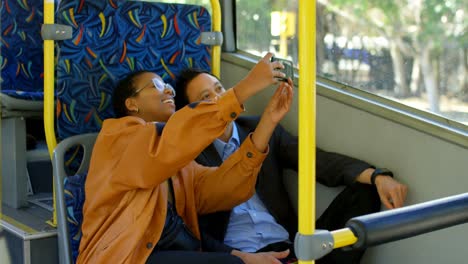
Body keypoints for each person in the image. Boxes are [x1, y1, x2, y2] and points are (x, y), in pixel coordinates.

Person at [77, 53, 295, 264]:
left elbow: (227, 188)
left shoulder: (181, 165)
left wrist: (267, 123)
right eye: (157, 85)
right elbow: (169, 144)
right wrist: (246, 88)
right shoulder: (116, 138)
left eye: (168, 86)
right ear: (132, 104)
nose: (169, 90)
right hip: (123, 256)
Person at [174, 68, 409, 264]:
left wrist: (376, 176)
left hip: (291, 246)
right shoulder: (187, 156)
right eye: (206, 97)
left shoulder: (260, 128)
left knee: (364, 189)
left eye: (220, 89)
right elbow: (191, 230)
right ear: (190, 112)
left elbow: (315, 161)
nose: (219, 99)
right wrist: (239, 257)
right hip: (242, 256)